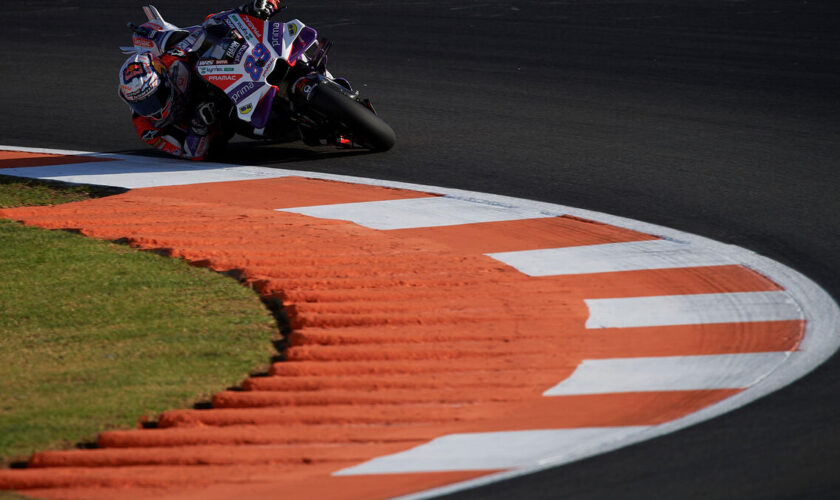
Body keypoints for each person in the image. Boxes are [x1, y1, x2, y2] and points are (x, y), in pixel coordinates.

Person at [117, 0, 281, 160]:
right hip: (212, 125)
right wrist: (199, 125)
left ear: (164, 79)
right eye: (141, 105)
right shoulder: (146, 130)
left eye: (155, 98)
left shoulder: (172, 60)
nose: (152, 110)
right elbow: (190, 153)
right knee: (242, 133)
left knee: (213, 24)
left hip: (221, 80)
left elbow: (202, 30)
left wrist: (245, 10)